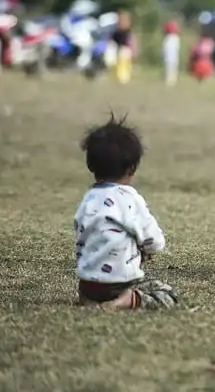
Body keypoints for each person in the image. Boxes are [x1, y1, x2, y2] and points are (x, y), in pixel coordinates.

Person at [75, 115, 178, 310]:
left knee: (95, 287)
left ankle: (89, 299)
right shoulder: (130, 199)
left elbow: (83, 237)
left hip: (88, 283)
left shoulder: (88, 200)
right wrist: (148, 250)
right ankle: (126, 300)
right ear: (132, 168)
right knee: (166, 293)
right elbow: (153, 240)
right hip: (118, 282)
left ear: (91, 166)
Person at [111, 10, 134, 84]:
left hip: (124, 47)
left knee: (123, 63)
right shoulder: (123, 31)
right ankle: (123, 77)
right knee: (123, 63)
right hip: (124, 48)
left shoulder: (121, 31)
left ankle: (123, 78)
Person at [162, 20, 181, 86]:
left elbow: (165, 48)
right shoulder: (176, 38)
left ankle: (170, 79)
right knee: (173, 65)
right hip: (173, 55)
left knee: (170, 65)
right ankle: (172, 78)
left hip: (170, 55)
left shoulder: (168, 38)